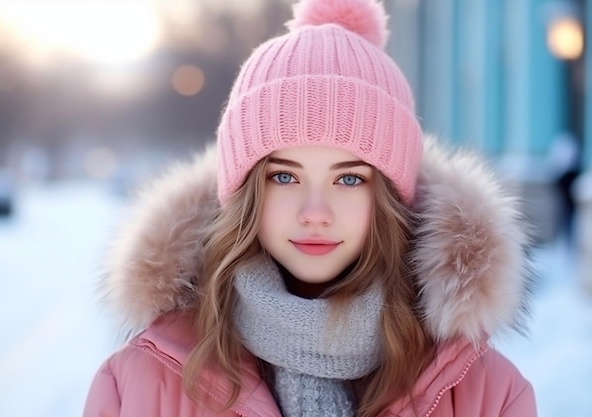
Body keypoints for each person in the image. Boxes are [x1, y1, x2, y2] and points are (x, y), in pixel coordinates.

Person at [83, 0, 537, 415]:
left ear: (389, 197)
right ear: (245, 193)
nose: (315, 212)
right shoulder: (137, 383)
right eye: (284, 176)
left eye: (349, 179)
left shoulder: (488, 393)